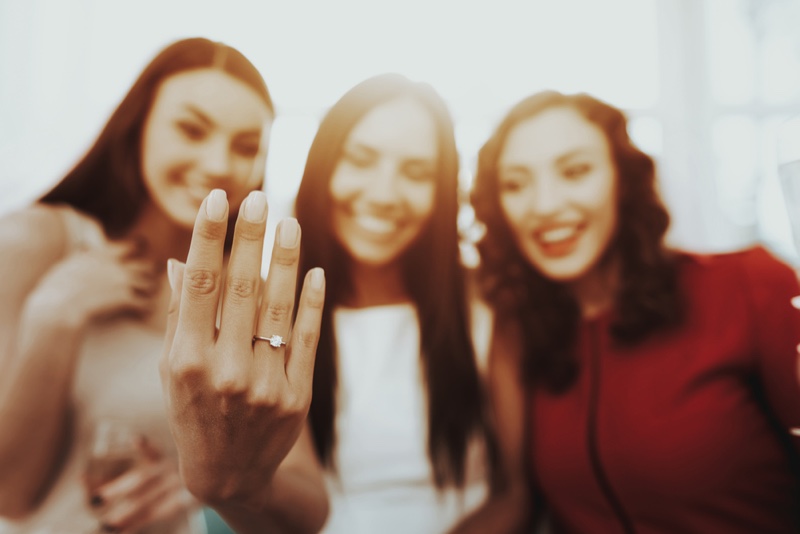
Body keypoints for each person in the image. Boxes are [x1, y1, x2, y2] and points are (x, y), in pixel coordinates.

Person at [159, 73, 492, 534]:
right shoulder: (272, 315)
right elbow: (302, 506)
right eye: (359, 160)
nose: (383, 194)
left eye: (417, 173)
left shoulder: (485, 302)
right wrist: (228, 477)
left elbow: (515, 493)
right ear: (323, 163)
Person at [457, 90, 800, 533]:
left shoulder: (748, 285)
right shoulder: (519, 334)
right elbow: (515, 501)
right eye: (516, 184)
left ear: (624, 179)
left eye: (575, 171)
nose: (544, 205)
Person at [0, 37, 275, 534]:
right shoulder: (34, 241)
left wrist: (200, 480)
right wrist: (55, 315)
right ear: (137, 126)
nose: (218, 163)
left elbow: (299, 492)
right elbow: (8, 495)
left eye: (246, 146)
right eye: (191, 130)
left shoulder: (245, 292)